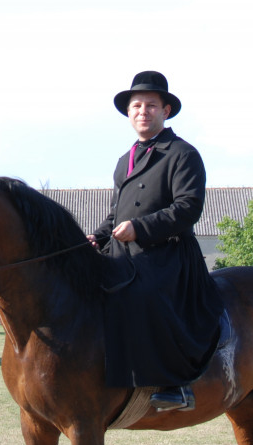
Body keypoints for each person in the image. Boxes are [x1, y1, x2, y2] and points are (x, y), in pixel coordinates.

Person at [88, 71, 224, 412]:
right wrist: (98, 235)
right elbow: (116, 213)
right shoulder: (124, 161)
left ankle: (174, 384)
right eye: (136, 106)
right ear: (129, 113)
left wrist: (140, 228)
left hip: (168, 254)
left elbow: (187, 208)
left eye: (150, 105)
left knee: (144, 292)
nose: (142, 111)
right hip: (123, 251)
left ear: (166, 110)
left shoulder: (182, 154)